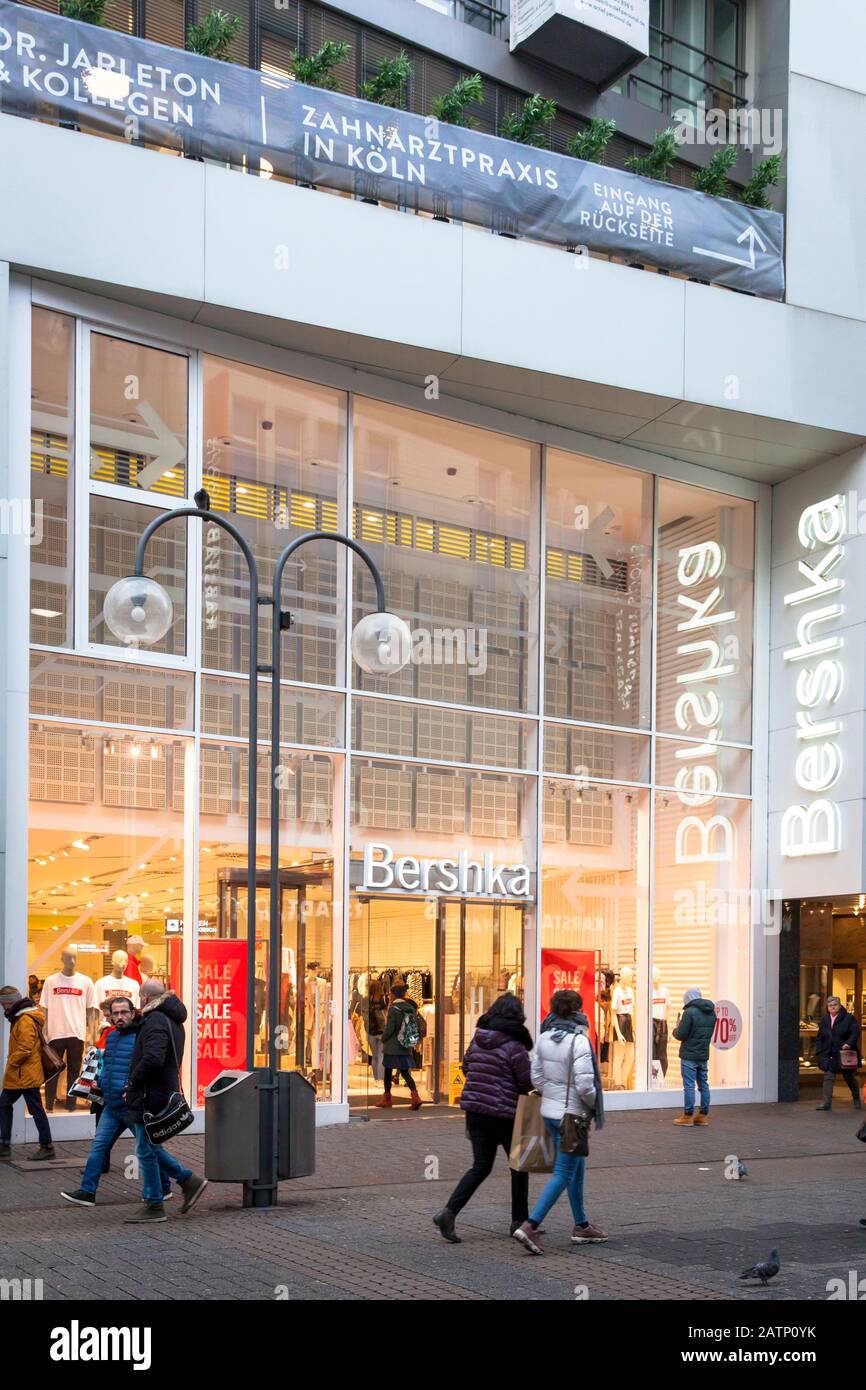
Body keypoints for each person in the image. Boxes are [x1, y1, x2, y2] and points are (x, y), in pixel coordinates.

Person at [60, 995, 180, 1206]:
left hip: (131, 1106)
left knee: (150, 1150)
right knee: (99, 1146)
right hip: (111, 1105)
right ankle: (88, 1190)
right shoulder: (112, 1036)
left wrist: (131, 1087)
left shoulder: (141, 1035)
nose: (119, 1017)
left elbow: (147, 1065)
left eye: (124, 1012)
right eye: (115, 1013)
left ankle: (174, 1183)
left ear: (133, 1013)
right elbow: (110, 1065)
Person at [433, 993, 532, 1243]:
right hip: (505, 1114)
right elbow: (525, 1081)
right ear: (517, 1016)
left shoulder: (478, 1039)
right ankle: (519, 1222)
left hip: (476, 1112)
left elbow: (466, 1068)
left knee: (480, 1166)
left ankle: (449, 1212)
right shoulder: (515, 1045)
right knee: (518, 1167)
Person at [513, 989, 606, 1254]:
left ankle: (581, 1225)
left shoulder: (543, 1037)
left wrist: (551, 1095)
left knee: (577, 1167)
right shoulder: (579, 1041)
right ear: (578, 1010)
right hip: (572, 1115)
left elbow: (537, 1077)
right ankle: (530, 1226)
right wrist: (588, 1105)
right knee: (564, 1172)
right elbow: (586, 1084)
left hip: (550, 1112)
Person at [122, 978, 208, 1223]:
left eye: (140, 998)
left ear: (146, 998)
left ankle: (154, 1203)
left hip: (152, 1094)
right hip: (158, 1091)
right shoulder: (169, 1018)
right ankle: (188, 1182)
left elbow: (153, 1059)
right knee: (150, 1146)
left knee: (145, 1149)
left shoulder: (156, 1020)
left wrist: (133, 1082)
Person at [0, 985, 55, 1160]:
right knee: (10, 1106)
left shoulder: (24, 1020)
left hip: (24, 1074)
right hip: (23, 1074)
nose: (3, 1008)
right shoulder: (23, 1016)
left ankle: (46, 1146)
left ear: (10, 1003)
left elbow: (25, 1048)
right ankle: (5, 1145)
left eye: (3, 1004)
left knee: (34, 1109)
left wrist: (11, 1062)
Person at [671, 987, 716, 1125]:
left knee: (689, 1086)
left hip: (689, 1055)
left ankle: (688, 1116)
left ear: (688, 998)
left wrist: (676, 1028)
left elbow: (681, 1034)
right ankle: (703, 1115)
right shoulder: (711, 1013)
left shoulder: (689, 1012)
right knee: (703, 1085)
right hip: (703, 1055)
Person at [376, 983, 423, 1110]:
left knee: (387, 1071)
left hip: (392, 1046)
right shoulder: (410, 1008)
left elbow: (390, 1028)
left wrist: (383, 1038)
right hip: (405, 1045)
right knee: (405, 1073)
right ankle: (416, 1097)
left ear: (393, 995)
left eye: (390, 994)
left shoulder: (394, 1008)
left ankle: (387, 1099)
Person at [815, 995, 862, 1111]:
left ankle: (856, 1098)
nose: (832, 1007)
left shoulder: (848, 1018)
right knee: (828, 1077)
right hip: (829, 1054)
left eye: (835, 1005)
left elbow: (855, 1032)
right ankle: (826, 1103)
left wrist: (848, 1043)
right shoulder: (825, 1019)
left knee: (849, 1078)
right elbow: (820, 1036)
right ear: (827, 1007)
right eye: (830, 1005)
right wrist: (819, 1051)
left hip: (843, 1054)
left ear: (840, 1006)